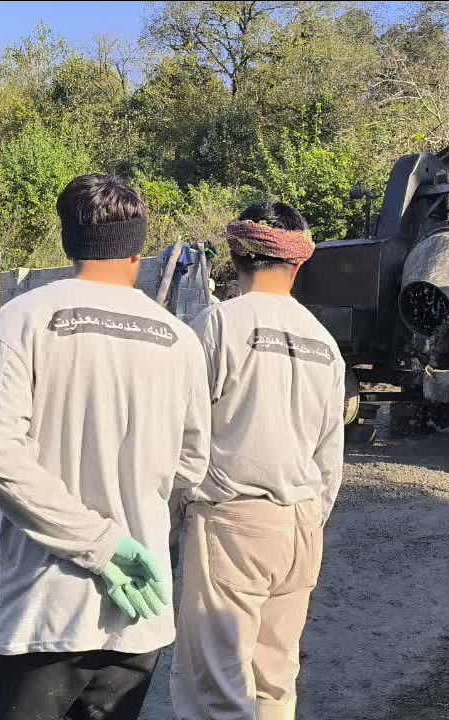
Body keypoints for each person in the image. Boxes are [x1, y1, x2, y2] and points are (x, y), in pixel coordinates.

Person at [0, 174, 210, 720]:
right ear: (139, 248)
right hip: (137, 616)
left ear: (67, 240)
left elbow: (2, 458)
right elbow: (192, 466)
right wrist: (131, 527)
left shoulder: (23, 318)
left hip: (40, 613)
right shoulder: (180, 340)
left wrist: (98, 545)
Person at [170, 202, 345, 720]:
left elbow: (187, 438)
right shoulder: (324, 342)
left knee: (216, 687)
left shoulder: (217, 325)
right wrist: (310, 514)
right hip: (303, 524)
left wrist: (179, 509)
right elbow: (329, 453)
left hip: (232, 524)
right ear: (299, 262)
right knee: (275, 680)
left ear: (235, 253)